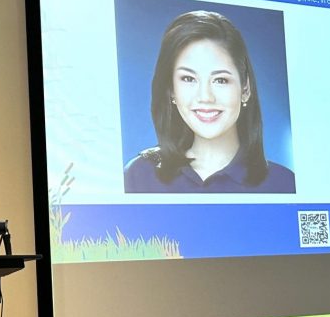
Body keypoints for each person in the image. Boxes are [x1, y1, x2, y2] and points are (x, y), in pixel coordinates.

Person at [124, 10, 295, 193]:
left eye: (220, 80)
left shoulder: (284, 183)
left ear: (245, 89)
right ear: (171, 90)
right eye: (188, 79)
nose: (205, 97)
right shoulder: (139, 174)